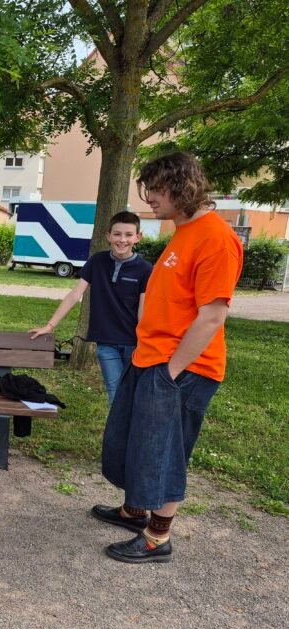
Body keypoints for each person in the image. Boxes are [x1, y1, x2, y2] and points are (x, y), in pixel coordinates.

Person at [93, 152, 243, 563]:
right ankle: (133, 510)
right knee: (133, 442)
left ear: (182, 186)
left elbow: (212, 316)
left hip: (183, 368)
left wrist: (173, 370)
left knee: (164, 449)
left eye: (157, 190)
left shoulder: (216, 238)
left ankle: (158, 537)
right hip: (151, 358)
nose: (150, 199)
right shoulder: (184, 233)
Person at [29, 212, 152, 405]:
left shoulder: (145, 269)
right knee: (115, 392)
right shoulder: (97, 261)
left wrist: (144, 342)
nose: (122, 240)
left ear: (138, 237)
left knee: (135, 393)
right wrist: (50, 326)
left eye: (128, 235)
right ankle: (118, 434)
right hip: (106, 342)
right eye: (117, 234)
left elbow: (143, 310)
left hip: (134, 343)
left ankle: (134, 434)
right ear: (108, 236)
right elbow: (74, 295)